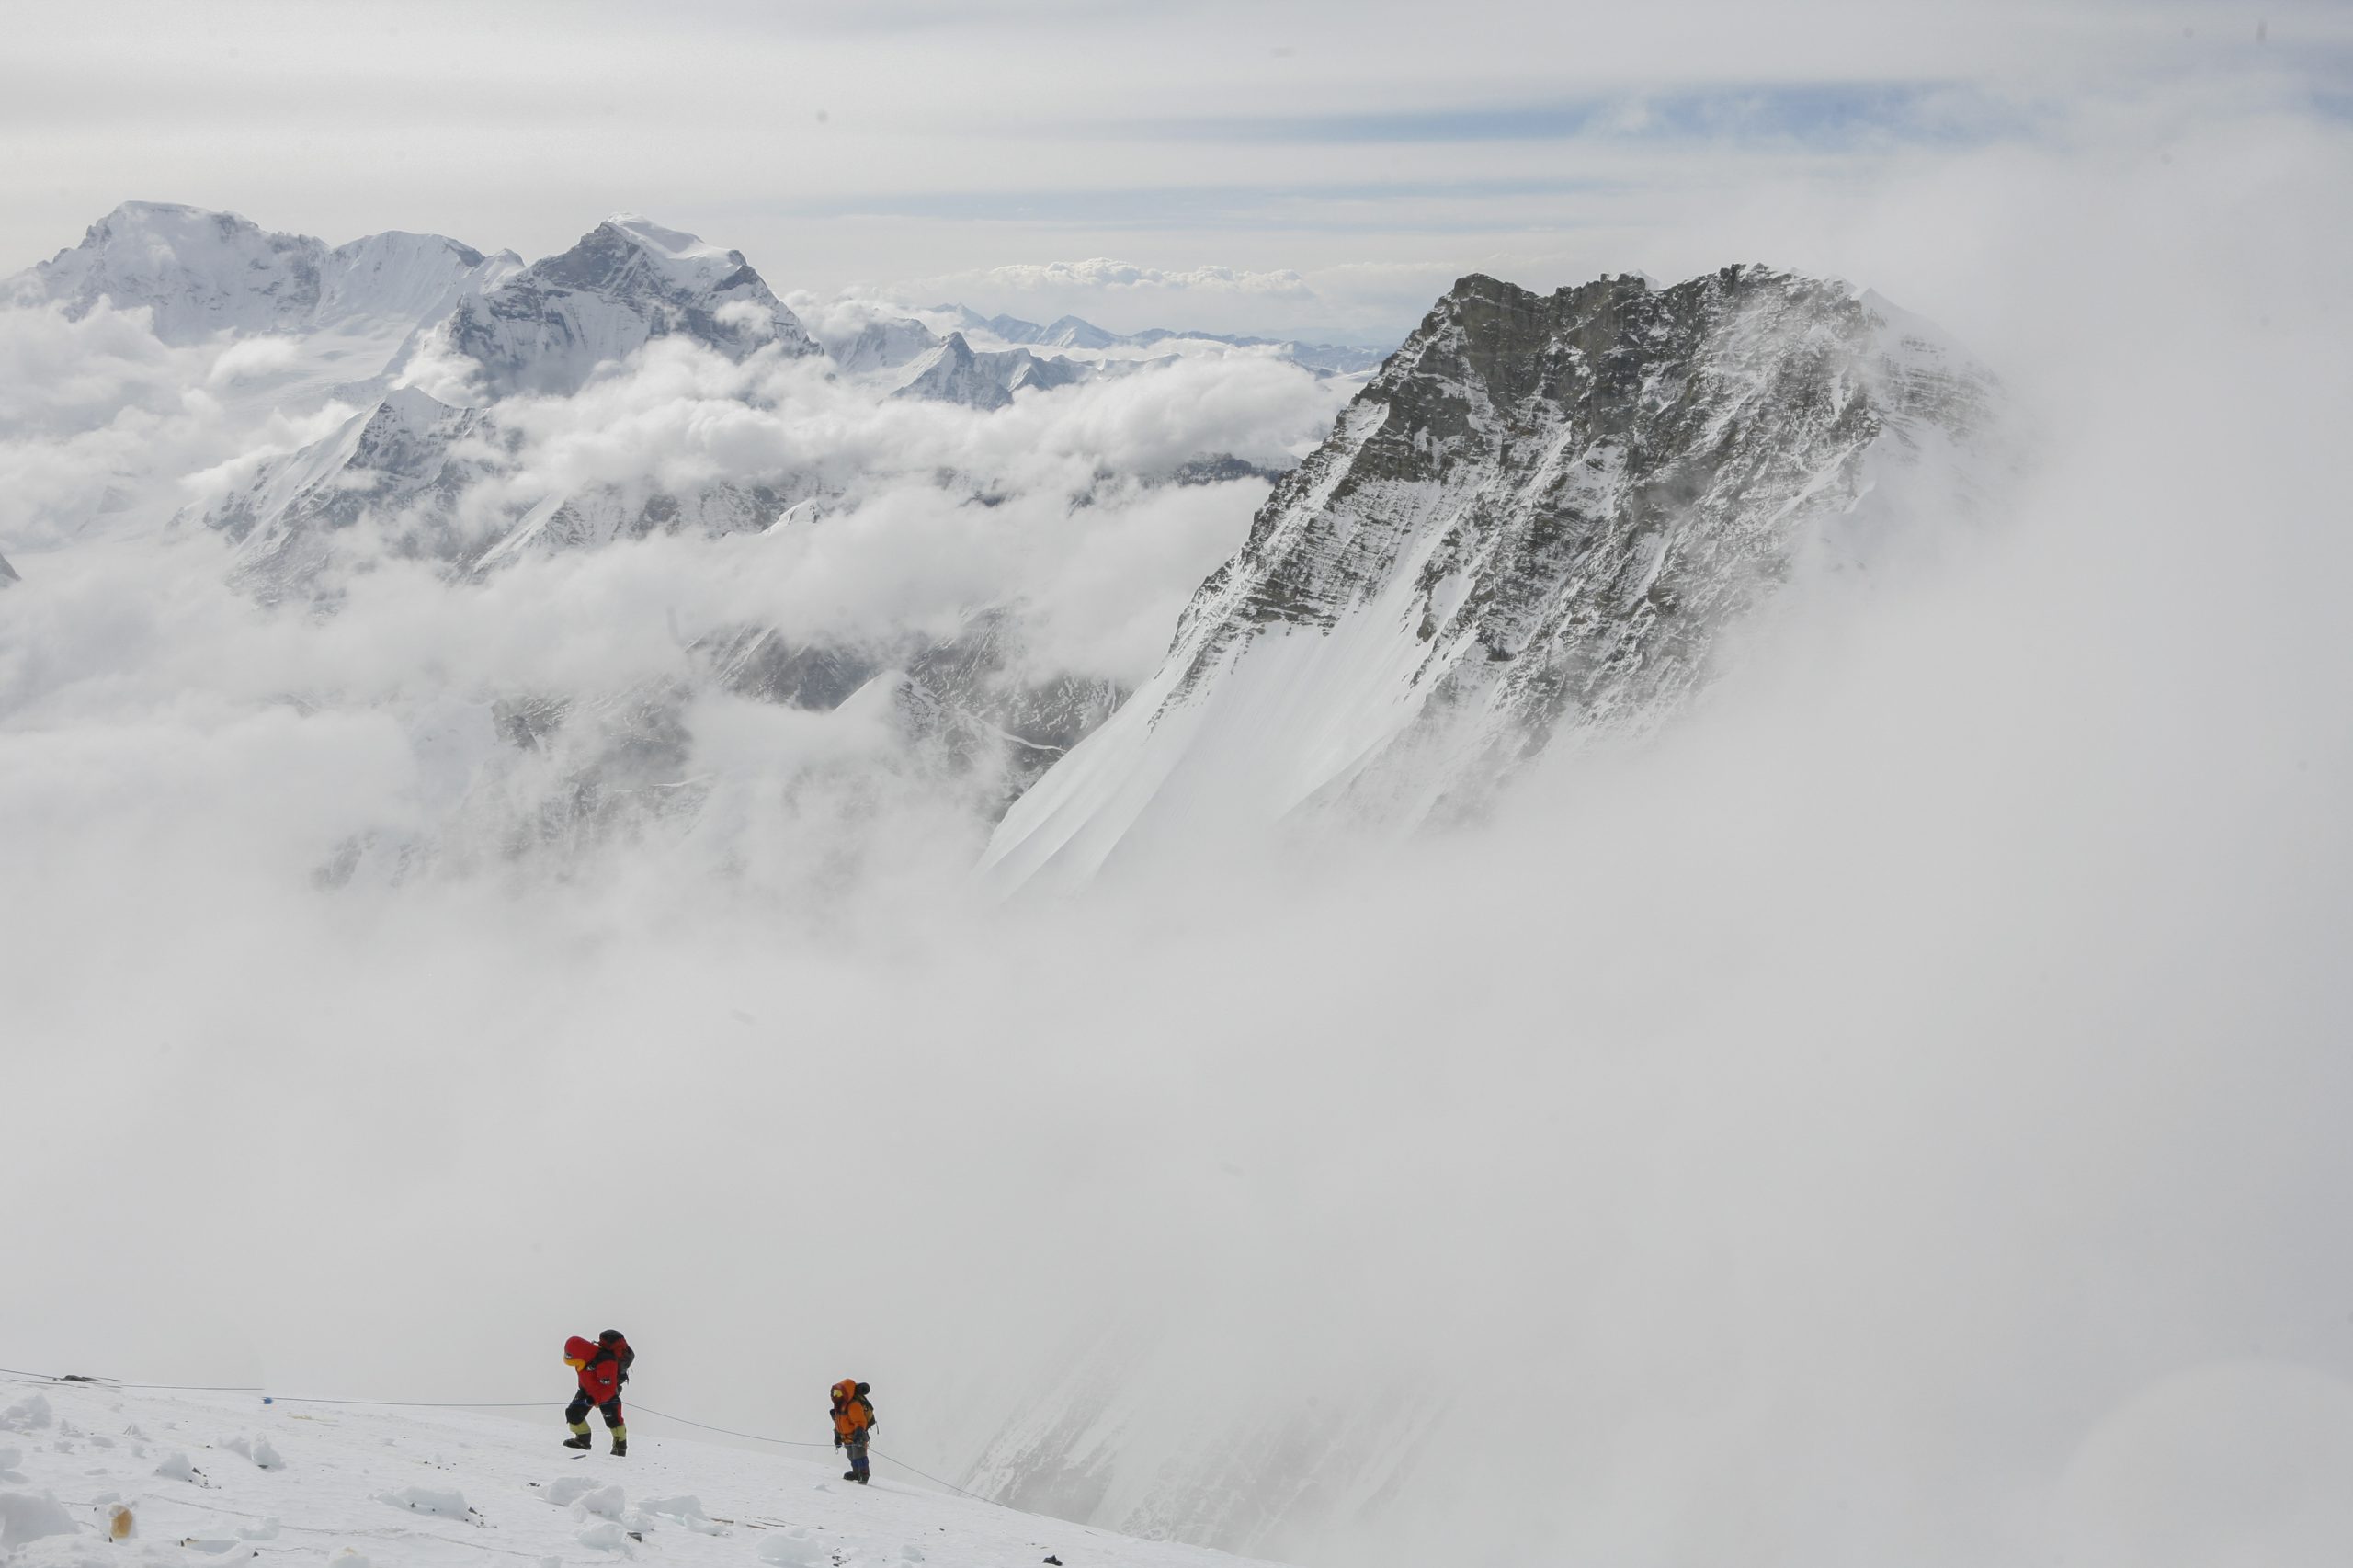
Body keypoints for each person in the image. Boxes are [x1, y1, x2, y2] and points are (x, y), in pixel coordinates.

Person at [563, 1330, 635, 1456]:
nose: (574, 1365)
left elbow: (608, 1387)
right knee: (573, 1413)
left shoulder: (606, 1361)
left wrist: (594, 1399)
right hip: (587, 1391)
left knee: (614, 1421)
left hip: (607, 1396)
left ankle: (620, 1447)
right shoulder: (583, 1359)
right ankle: (582, 1440)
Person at [830, 1378, 876, 1483]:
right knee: (851, 1456)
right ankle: (856, 1473)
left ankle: (864, 1474)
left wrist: (859, 1434)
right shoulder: (839, 1407)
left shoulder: (853, 1405)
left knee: (860, 1456)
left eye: (839, 1393)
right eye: (835, 1393)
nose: (836, 1396)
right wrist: (837, 1436)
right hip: (846, 1439)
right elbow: (838, 1423)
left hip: (856, 1437)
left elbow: (860, 1421)